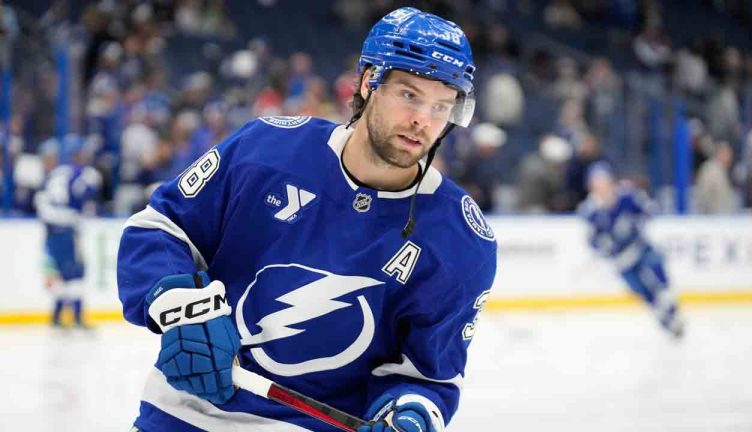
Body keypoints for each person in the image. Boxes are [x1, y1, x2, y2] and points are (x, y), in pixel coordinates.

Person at [117, 7, 497, 432]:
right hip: (182, 416)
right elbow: (160, 229)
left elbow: (429, 377)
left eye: (442, 106)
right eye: (410, 95)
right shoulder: (267, 150)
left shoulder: (459, 239)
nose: (423, 121)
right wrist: (182, 308)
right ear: (369, 81)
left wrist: (409, 415)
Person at [578, 162, 684, 339]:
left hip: (640, 248)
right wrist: (604, 244)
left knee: (659, 275)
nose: (601, 185)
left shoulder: (627, 196)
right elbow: (592, 240)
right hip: (622, 261)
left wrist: (635, 221)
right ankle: (665, 320)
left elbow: (650, 210)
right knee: (644, 293)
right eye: (596, 181)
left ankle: (672, 311)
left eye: (603, 180)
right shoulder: (590, 210)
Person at [35, 135, 102, 329]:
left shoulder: (55, 173)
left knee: (63, 273)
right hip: (66, 227)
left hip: (53, 228)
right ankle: (76, 315)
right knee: (75, 273)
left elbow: (41, 201)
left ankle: (58, 315)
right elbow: (82, 197)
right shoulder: (81, 174)